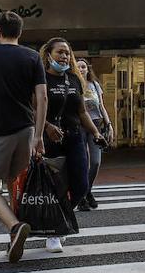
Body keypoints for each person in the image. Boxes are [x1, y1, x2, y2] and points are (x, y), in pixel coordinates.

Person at [0, 10, 47, 263]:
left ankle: (15, 227)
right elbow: (41, 97)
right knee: (14, 183)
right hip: (26, 129)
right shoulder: (32, 56)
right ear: (20, 32)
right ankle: (14, 236)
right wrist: (38, 136)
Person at [40, 39, 104, 252]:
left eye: (67, 53)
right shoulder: (41, 79)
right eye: (60, 53)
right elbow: (32, 110)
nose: (65, 57)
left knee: (81, 185)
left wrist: (96, 133)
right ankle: (55, 232)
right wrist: (47, 127)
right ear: (48, 54)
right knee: (54, 186)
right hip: (51, 139)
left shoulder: (74, 79)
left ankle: (62, 218)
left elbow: (82, 111)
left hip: (75, 136)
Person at [76, 58, 113, 211]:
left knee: (96, 162)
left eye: (84, 66)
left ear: (88, 69)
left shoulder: (95, 86)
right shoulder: (73, 84)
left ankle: (87, 191)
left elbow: (102, 106)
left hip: (96, 125)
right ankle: (82, 197)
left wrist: (109, 124)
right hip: (79, 126)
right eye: (78, 67)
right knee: (84, 162)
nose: (81, 69)